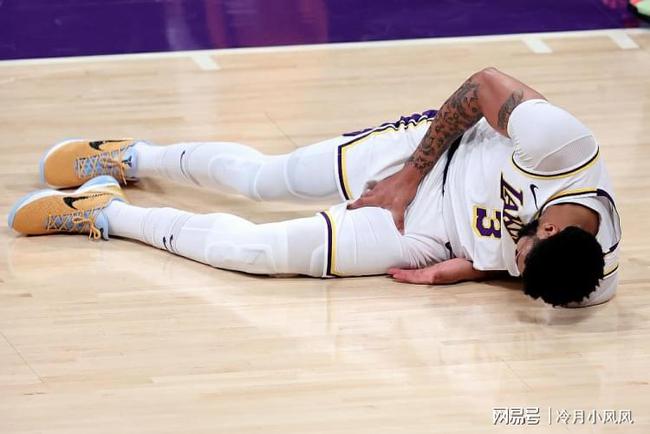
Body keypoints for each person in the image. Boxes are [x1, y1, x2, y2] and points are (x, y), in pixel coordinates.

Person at [8, 67, 621, 307]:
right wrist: (409, 176)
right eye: (522, 256)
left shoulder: (586, 279)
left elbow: (522, 268)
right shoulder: (563, 148)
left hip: (436, 240)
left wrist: (469, 270)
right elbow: (483, 85)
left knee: (255, 253)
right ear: (550, 226)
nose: (516, 265)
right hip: (426, 161)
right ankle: (134, 157)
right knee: (263, 179)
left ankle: (105, 213)